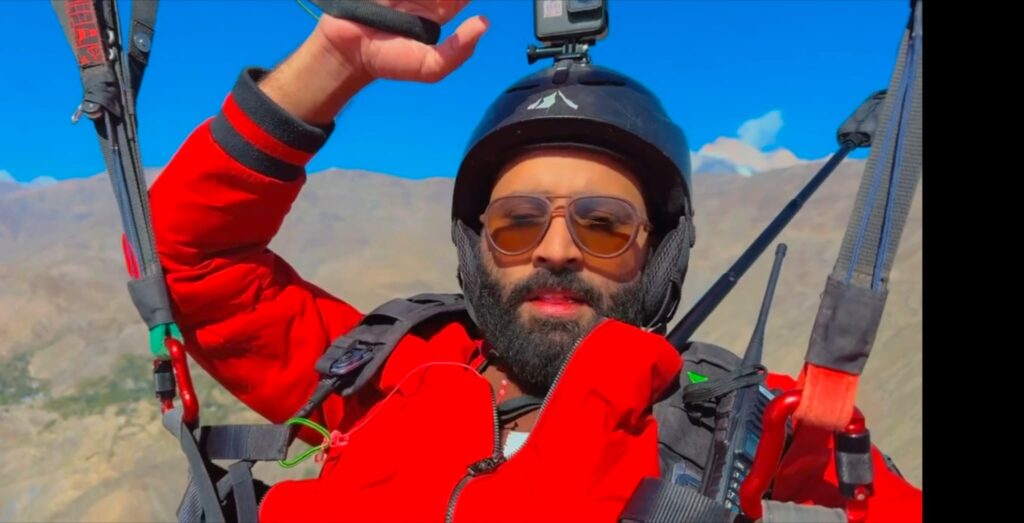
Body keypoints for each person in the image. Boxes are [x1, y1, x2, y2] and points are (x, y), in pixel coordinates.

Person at [148, 1, 922, 521]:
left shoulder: (734, 422)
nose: (556, 249)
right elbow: (185, 259)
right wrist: (334, 59)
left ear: (660, 253)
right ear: (476, 245)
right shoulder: (388, 371)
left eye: (603, 225)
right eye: (518, 224)